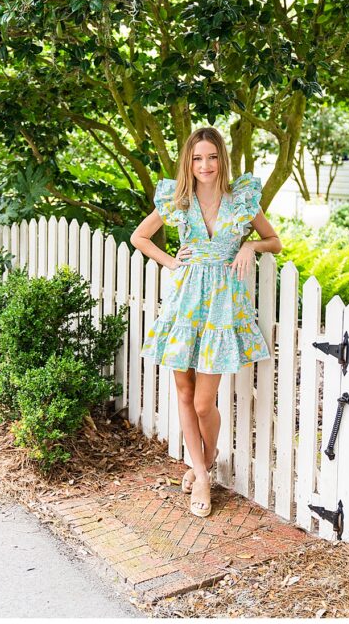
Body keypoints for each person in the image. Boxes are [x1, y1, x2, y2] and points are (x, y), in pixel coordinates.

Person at [130, 127, 281, 518]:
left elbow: (274, 241)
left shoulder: (242, 201)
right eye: (197, 158)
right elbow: (140, 238)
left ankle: (204, 463)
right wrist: (171, 261)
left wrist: (249, 243)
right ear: (189, 162)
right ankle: (200, 474)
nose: (205, 165)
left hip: (221, 308)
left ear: (222, 160)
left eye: (211, 157)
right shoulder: (179, 201)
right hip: (184, 303)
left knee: (202, 401)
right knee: (183, 390)